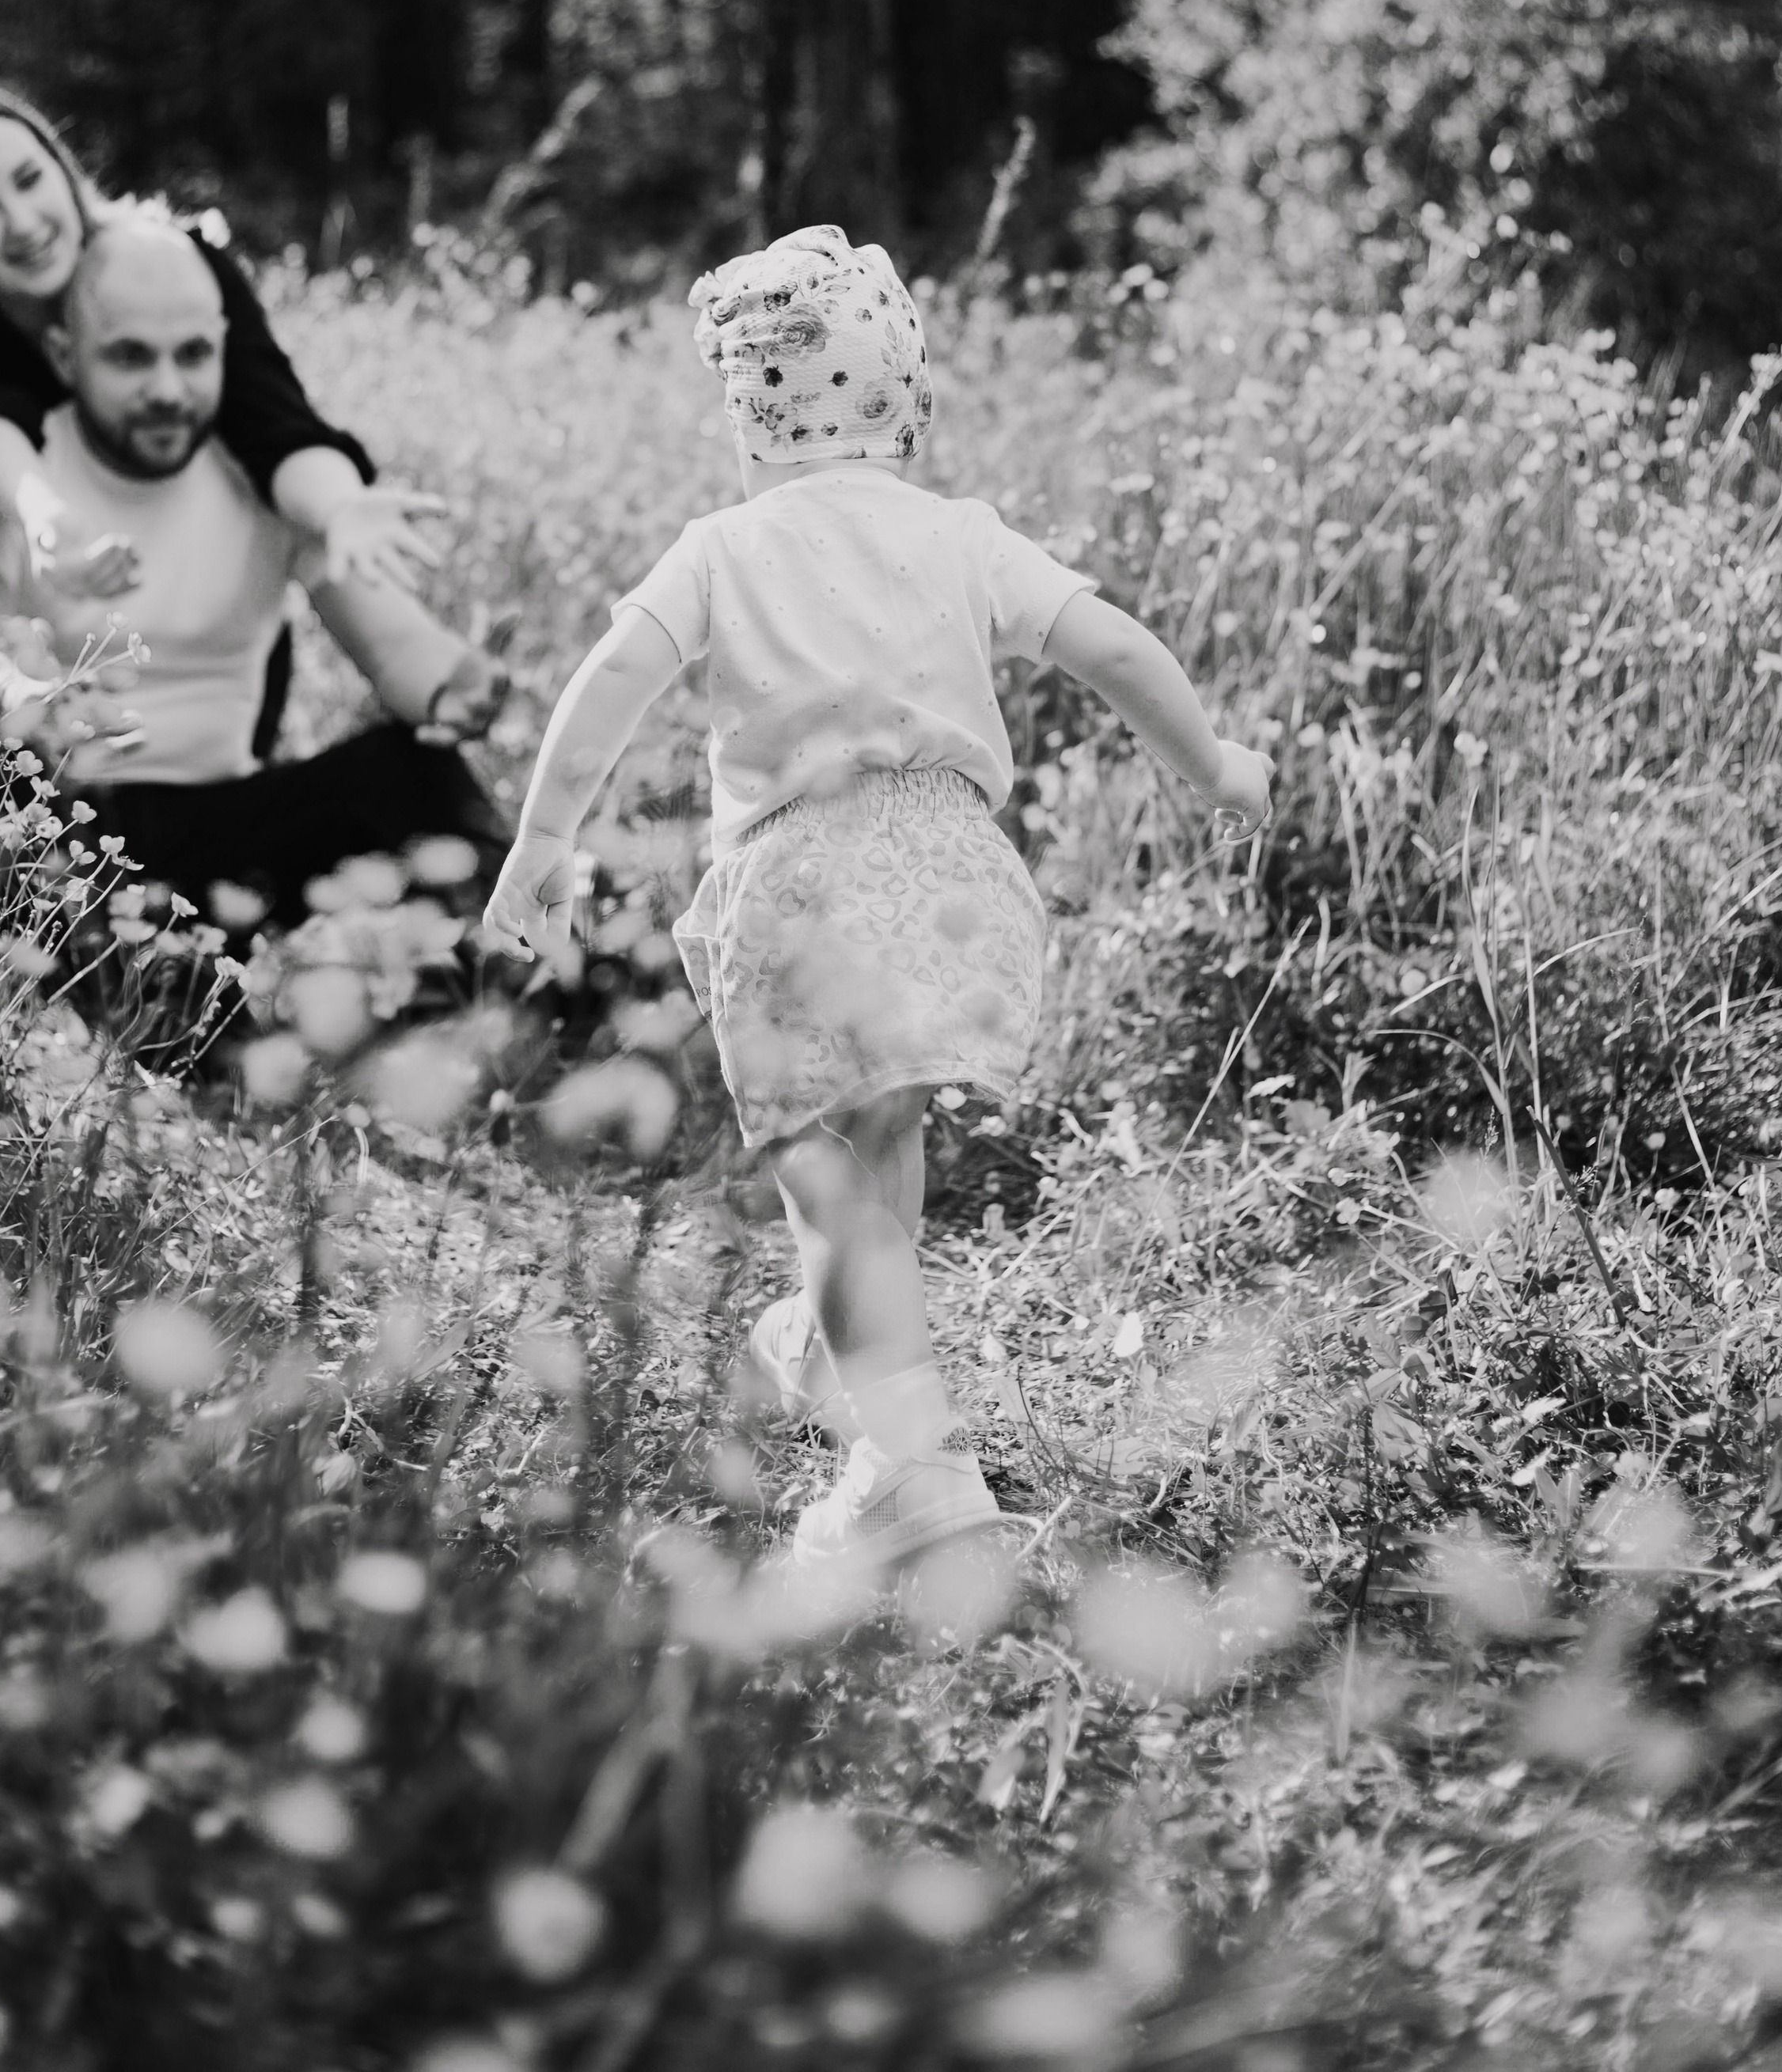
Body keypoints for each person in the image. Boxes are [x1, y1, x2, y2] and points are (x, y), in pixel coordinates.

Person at [482, 223, 1273, 1578]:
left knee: (819, 1170)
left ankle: (912, 1466)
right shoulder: (961, 536)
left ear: (747, 425)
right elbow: (1114, 646)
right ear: (911, 412)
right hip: (956, 878)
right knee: (880, 1131)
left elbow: (613, 679)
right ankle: (826, 1340)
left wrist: (544, 838)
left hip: (803, 887)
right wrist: (1213, 764)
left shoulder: (724, 548)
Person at [0, 217, 509, 929]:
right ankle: (13, 965)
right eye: (130, 357)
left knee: (413, 774)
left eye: (193, 355)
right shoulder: (8, 474)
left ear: (225, 345)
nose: (168, 389)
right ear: (66, 356)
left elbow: (394, 644)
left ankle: (521, 965)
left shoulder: (271, 476)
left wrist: (452, 688)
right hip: (54, 815)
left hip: (223, 831)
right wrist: (24, 698)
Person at [0, 83, 434, 646]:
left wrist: (340, 506)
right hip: (58, 668)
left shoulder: (176, 265)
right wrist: (47, 517)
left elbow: (274, 419)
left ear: (62, 169)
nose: (24, 224)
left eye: (30, 180)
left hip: (222, 650)